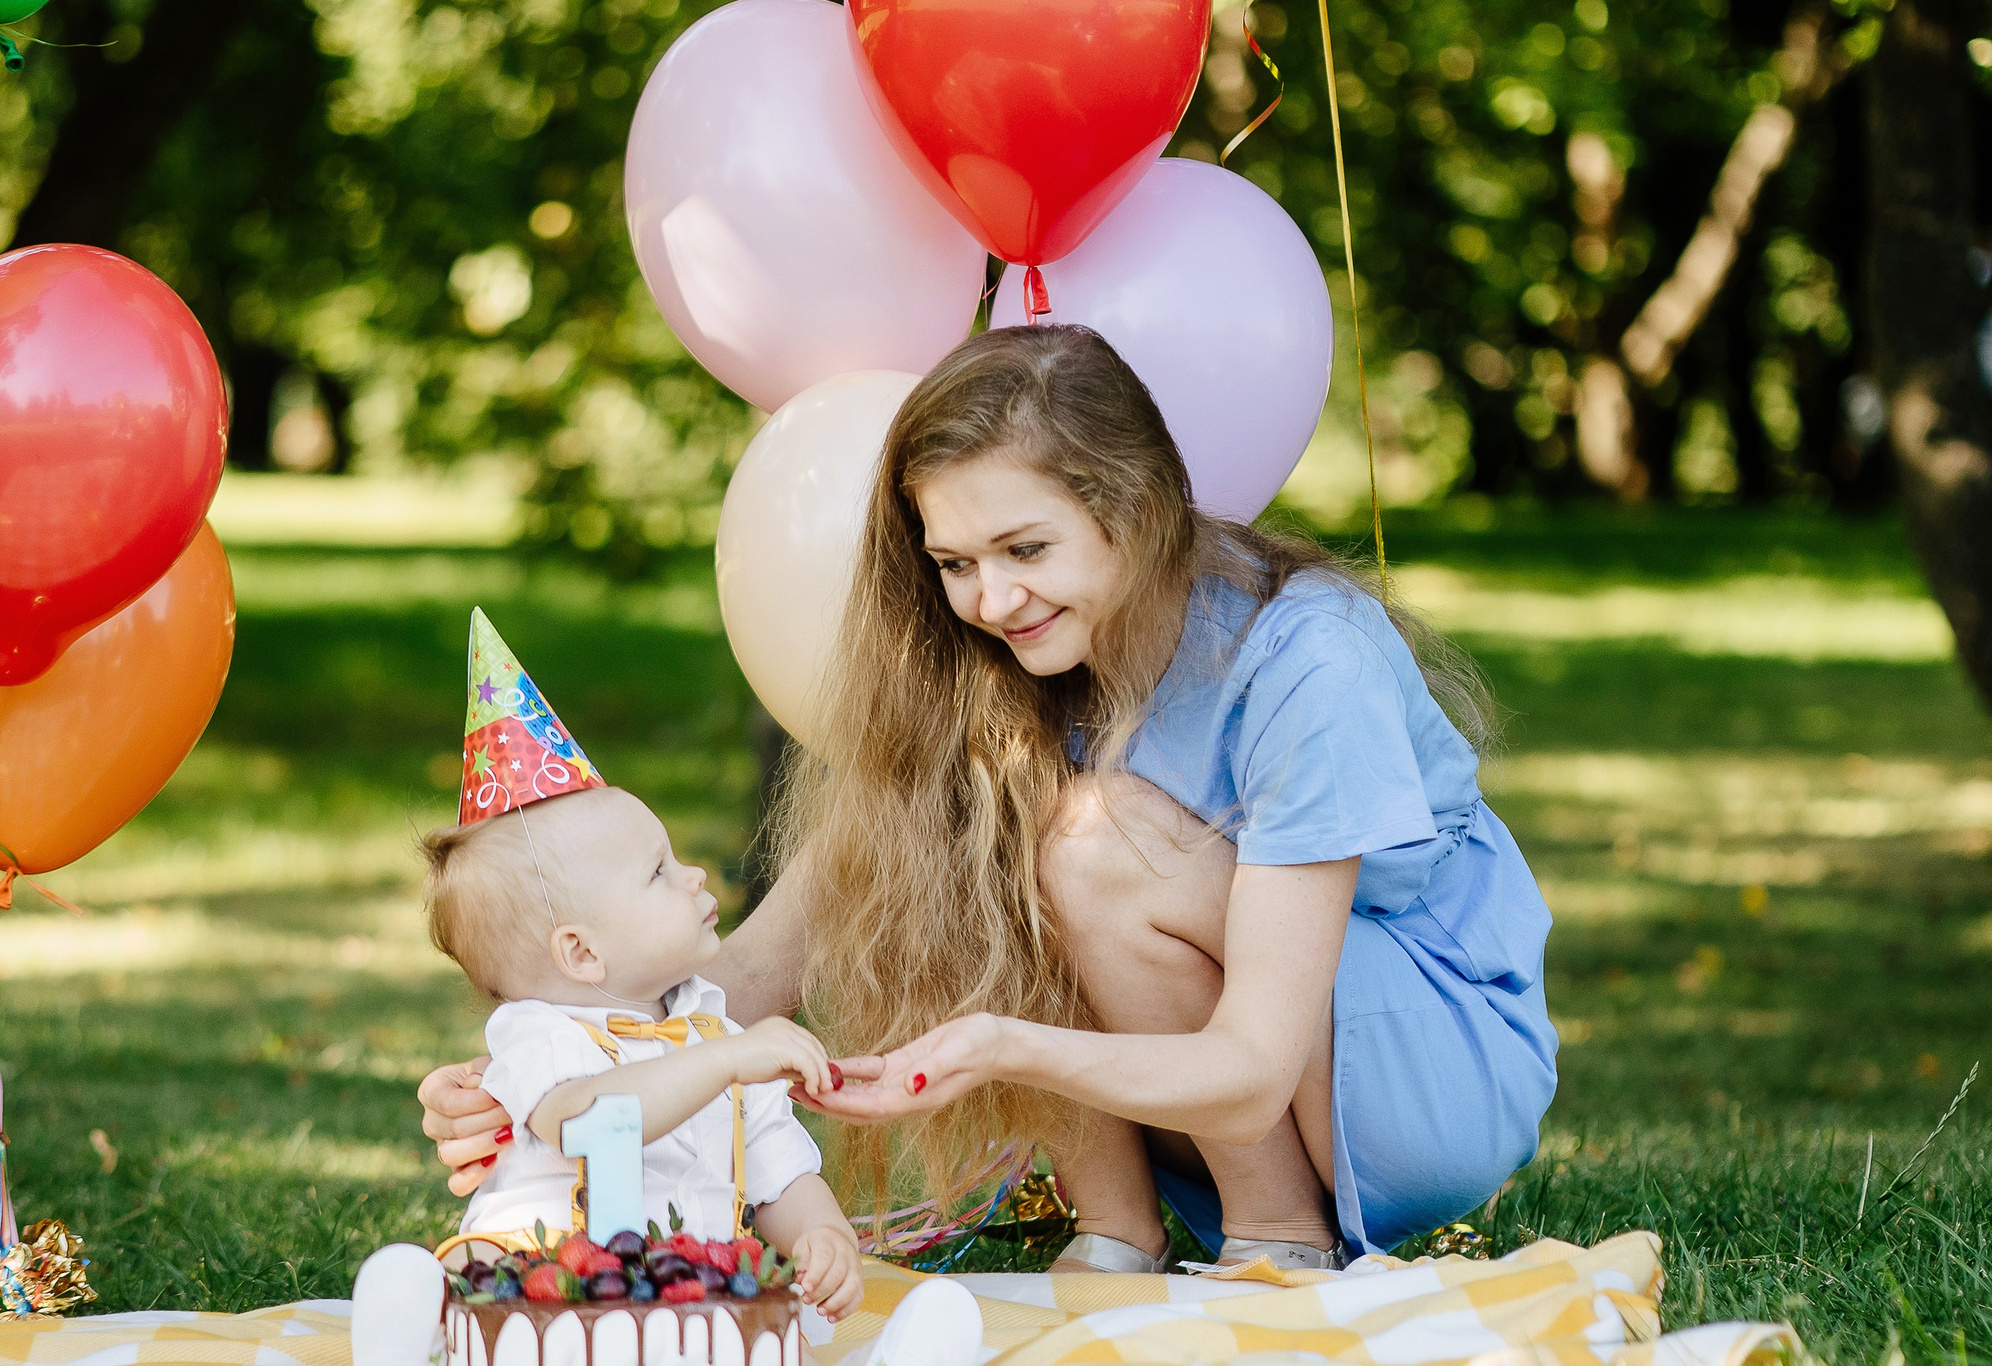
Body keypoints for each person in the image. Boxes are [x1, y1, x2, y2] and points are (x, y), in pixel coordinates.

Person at [418, 325, 1557, 1278]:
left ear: (1141, 505)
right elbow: (751, 977)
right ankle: (1128, 1235)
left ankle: (1278, 1245)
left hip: (1414, 1082)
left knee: (1091, 840)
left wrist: (1012, 1041)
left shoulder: (1309, 657)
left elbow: (1256, 1060)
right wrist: (545, 1071)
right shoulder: (993, 672)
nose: (990, 598)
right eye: (954, 561)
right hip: (1218, 1108)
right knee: (992, 825)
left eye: (1024, 546)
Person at [349, 613, 983, 1366]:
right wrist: (725, 1061)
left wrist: (821, 1235)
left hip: (696, 1291)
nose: (692, 875)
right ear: (581, 954)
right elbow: (586, 1120)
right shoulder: (541, 1037)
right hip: (546, 1296)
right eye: (657, 871)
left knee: (776, 1351)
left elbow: (780, 1169)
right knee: (455, 1324)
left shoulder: (715, 1033)